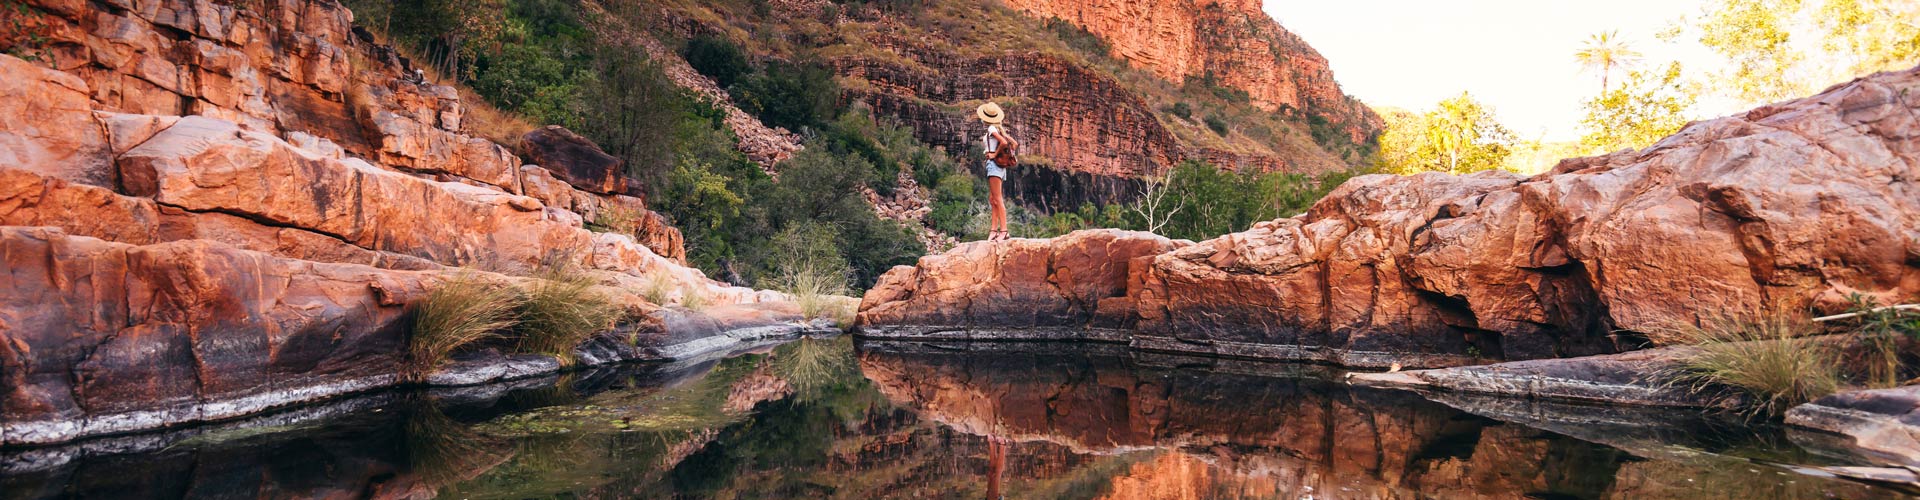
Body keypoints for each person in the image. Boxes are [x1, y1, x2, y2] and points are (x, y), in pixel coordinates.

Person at [977, 102, 1017, 241]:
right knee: (993, 199)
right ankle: (993, 230)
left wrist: (993, 155)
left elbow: (1004, 143)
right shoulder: (999, 129)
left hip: (994, 165)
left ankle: (1004, 230)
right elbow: (1014, 143)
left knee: (998, 199)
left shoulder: (991, 128)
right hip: (999, 167)